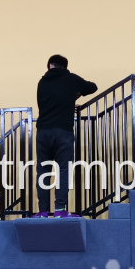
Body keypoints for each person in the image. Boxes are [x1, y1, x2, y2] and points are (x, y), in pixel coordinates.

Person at [35, 54, 97, 216]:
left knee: (43, 171)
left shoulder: (42, 82)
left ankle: (42, 211)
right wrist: (71, 98)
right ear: (65, 66)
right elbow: (92, 87)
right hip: (63, 132)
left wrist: (67, 100)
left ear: (49, 65)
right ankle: (60, 210)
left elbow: (44, 104)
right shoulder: (71, 79)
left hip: (43, 132)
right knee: (63, 169)